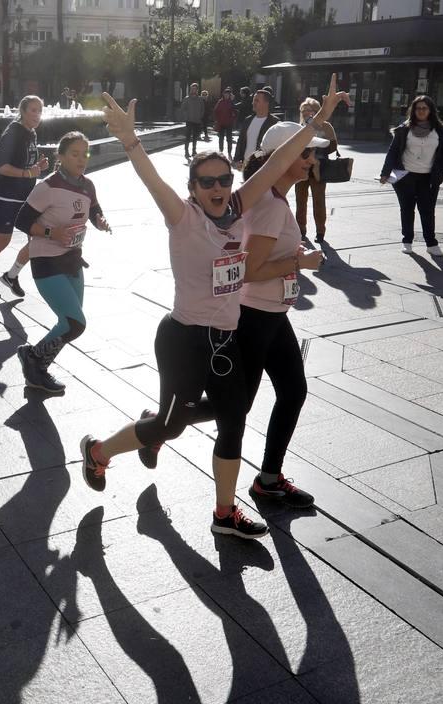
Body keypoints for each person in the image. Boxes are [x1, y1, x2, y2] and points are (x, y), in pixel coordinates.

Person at [78, 76, 349, 540]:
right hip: (184, 340)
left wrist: (316, 122)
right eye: (208, 182)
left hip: (225, 338)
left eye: (224, 179)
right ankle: (100, 450)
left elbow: (279, 160)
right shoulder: (184, 218)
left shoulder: (239, 209)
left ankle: (225, 514)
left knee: (234, 419)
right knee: (171, 425)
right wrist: (130, 141)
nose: (219, 188)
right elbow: (152, 181)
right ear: (194, 188)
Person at [236, 121, 332, 509]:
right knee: (235, 406)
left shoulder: (276, 198)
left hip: (273, 315)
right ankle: (159, 425)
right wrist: (300, 261)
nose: (313, 160)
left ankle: (269, 480)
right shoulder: (271, 206)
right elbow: (250, 271)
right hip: (254, 316)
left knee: (292, 391)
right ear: (284, 157)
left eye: (314, 152)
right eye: (307, 152)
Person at [12, 131, 110, 394]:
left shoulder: (87, 185)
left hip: (73, 261)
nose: (81, 159)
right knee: (74, 322)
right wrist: (50, 233)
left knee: (68, 324)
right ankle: (32, 357)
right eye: (75, 154)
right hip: (46, 261)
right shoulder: (47, 187)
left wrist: (100, 221)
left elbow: (94, 210)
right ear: (61, 156)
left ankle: (37, 367)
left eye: (85, 154)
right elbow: (21, 221)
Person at [0, 95, 48, 300]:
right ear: (23, 111)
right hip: (5, 199)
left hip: (27, 199)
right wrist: (28, 173)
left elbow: (26, 165)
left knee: (36, 240)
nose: (37, 115)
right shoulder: (13, 132)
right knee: (2, 241)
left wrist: (38, 168)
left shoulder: (31, 133)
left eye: (40, 111)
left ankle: (11, 276)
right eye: (33, 110)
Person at [379, 94, 443, 255]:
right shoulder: (404, 129)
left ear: (430, 110)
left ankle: (431, 244)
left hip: (429, 178)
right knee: (407, 209)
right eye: (418, 108)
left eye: (424, 108)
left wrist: (439, 169)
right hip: (405, 176)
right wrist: (385, 173)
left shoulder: (440, 130)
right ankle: (407, 241)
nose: (421, 111)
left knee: (427, 210)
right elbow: (392, 152)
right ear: (413, 110)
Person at [293, 96, 339, 243]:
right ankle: (301, 229)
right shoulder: (299, 126)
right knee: (300, 200)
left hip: (319, 169)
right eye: (303, 111)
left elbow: (333, 146)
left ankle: (320, 231)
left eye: (309, 110)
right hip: (301, 169)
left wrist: (318, 153)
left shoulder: (325, 126)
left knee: (319, 201)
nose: (306, 113)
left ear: (317, 111)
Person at [232, 88, 279, 169]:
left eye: (257, 100)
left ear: (266, 103)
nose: (253, 103)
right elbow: (241, 140)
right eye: (253, 100)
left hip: (263, 167)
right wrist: (236, 159)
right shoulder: (248, 120)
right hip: (246, 167)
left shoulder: (274, 123)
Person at [181, 83, 207, 155]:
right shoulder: (187, 99)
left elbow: (202, 109)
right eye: (192, 89)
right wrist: (186, 116)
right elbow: (183, 109)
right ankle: (186, 151)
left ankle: (194, 150)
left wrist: (200, 116)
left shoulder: (200, 99)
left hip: (197, 121)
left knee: (195, 137)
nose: (193, 90)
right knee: (188, 137)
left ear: (197, 90)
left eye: (195, 89)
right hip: (189, 120)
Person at [214, 88, 237, 156]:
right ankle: (221, 151)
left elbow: (236, 112)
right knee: (221, 138)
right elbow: (215, 111)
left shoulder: (232, 102)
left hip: (229, 123)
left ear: (230, 95)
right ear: (223, 94)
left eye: (228, 94)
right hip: (221, 123)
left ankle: (229, 152)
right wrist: (217, 120)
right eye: (225, 94)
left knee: (229, 139)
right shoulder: (220, 102)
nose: (226, 95)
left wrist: (233, 119)